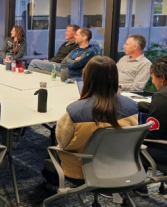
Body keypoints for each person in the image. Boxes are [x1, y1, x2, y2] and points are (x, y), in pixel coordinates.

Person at [41, 56, 139, 189]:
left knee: (53, 144)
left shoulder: (75, 111)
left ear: (87, 78)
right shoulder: (132, 106)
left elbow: (63, 143)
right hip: (121, 165)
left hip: (81, 170)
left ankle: (52, 184)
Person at [136, 56, 167, 196]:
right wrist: (146, 106)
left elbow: (153, 134)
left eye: (153, 77)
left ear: (161, 77)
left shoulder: (162, 96)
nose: (152, 81)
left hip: (163, 149)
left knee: (132, 143)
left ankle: (139, 185)